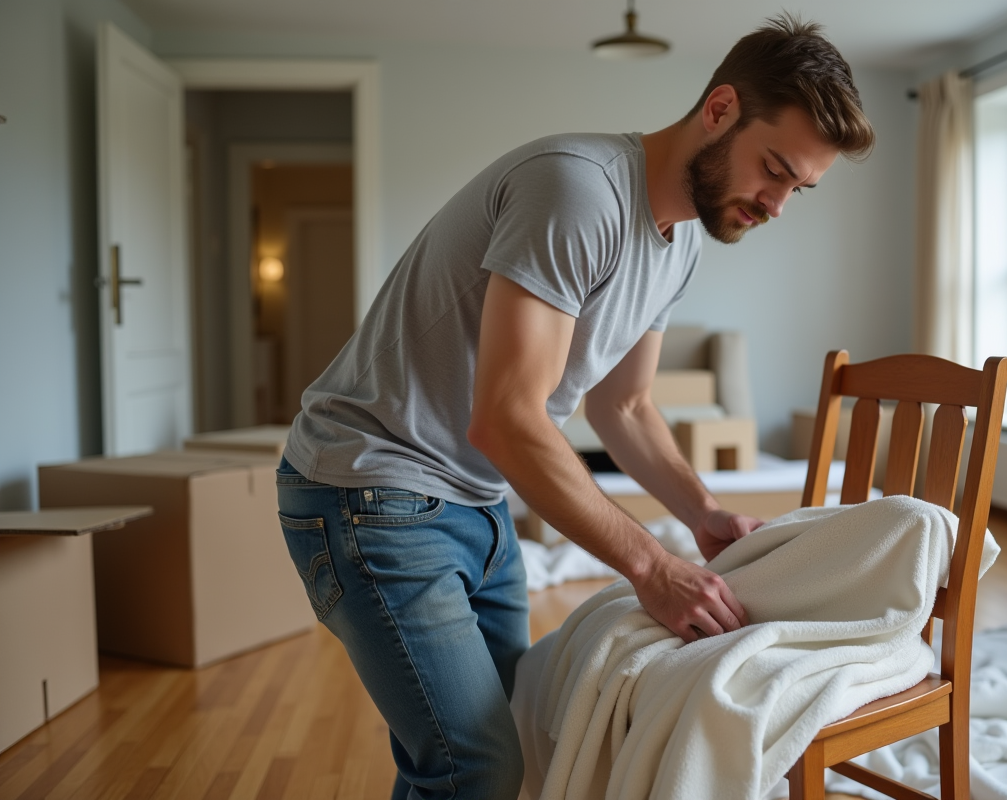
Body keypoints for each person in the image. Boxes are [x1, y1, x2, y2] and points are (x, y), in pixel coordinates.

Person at [276, 12, 874, 800]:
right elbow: (508, 418)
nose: (776, 205)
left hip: (475, 502)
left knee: (503, 739)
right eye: (773, 170)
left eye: (799, 188)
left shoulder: (680, 237)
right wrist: (652, 565)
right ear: (720, 109)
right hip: (371, 489)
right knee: (474, 765)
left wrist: (702, 515)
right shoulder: (577, 190)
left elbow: (624, 406)